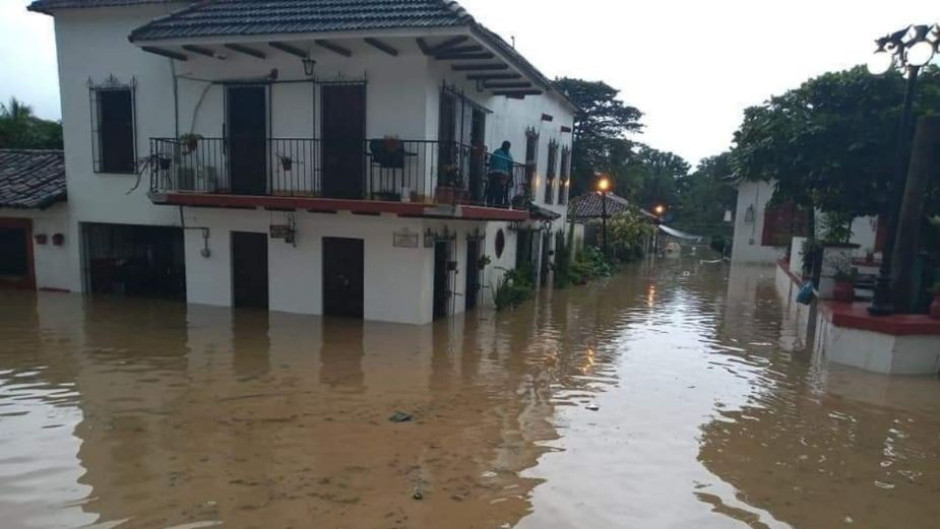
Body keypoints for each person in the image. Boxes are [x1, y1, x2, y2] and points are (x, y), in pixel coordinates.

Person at [487, 141, 513, 206]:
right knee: (499, 191)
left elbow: (491, 161)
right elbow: (510, 167)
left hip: (493, 173)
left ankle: (489, 203)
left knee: (492, 189)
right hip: (502, 175)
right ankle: (498, 204)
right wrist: (510, 178)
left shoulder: (496, 152)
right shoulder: (508, 155)